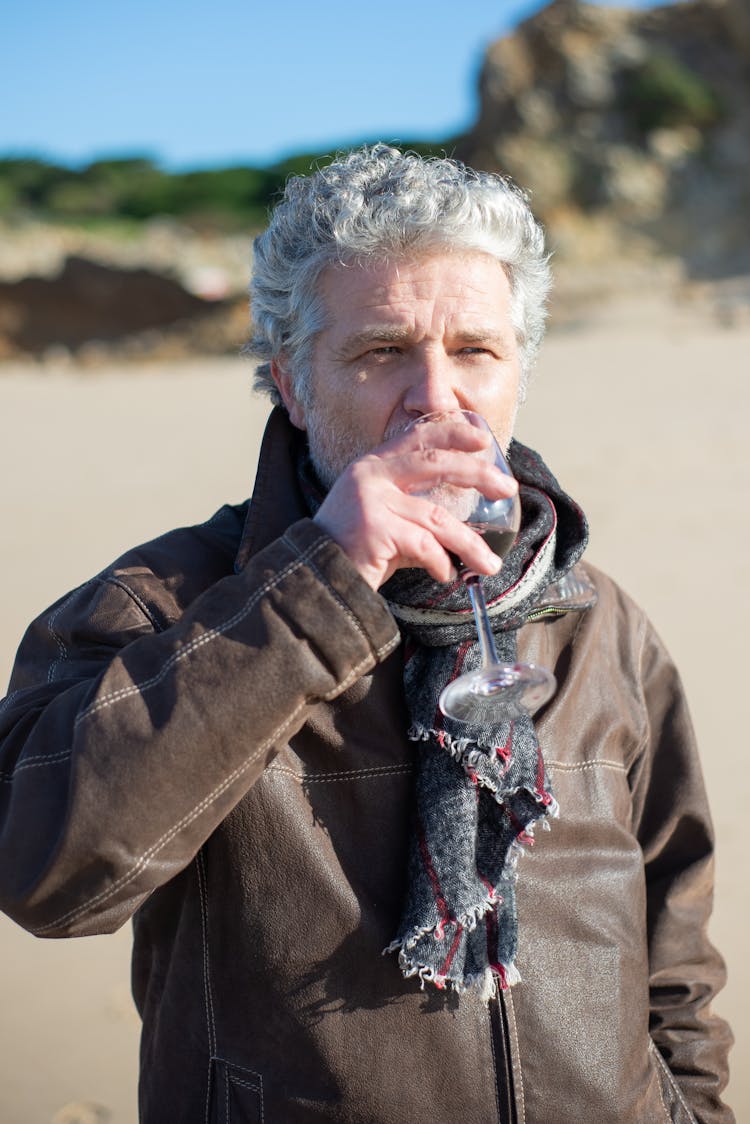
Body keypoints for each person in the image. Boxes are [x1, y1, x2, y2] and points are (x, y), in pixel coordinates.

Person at [0, 145, 733, 1123]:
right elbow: (48, 873)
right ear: (294, 387)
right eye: (382, 350)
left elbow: (675, 951)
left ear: (519, 372)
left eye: (476, 350)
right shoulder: (157, 602)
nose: (437, 394)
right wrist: (325, 580)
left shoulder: (598, 618)